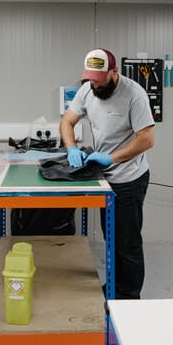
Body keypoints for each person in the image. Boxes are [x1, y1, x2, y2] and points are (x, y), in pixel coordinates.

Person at [59, 48, 155, 300]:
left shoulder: (134, 94)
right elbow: (67, 121)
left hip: (128, 178)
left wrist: (111, 158)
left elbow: (146, 139)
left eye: (99, 80)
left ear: (114, 72)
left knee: (127, 243)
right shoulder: (87, 90)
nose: (94, 85)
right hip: (105, 178)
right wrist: (71, 147)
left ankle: (130, 298)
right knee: (111, 238)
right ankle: (115, 288)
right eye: (91, 79)